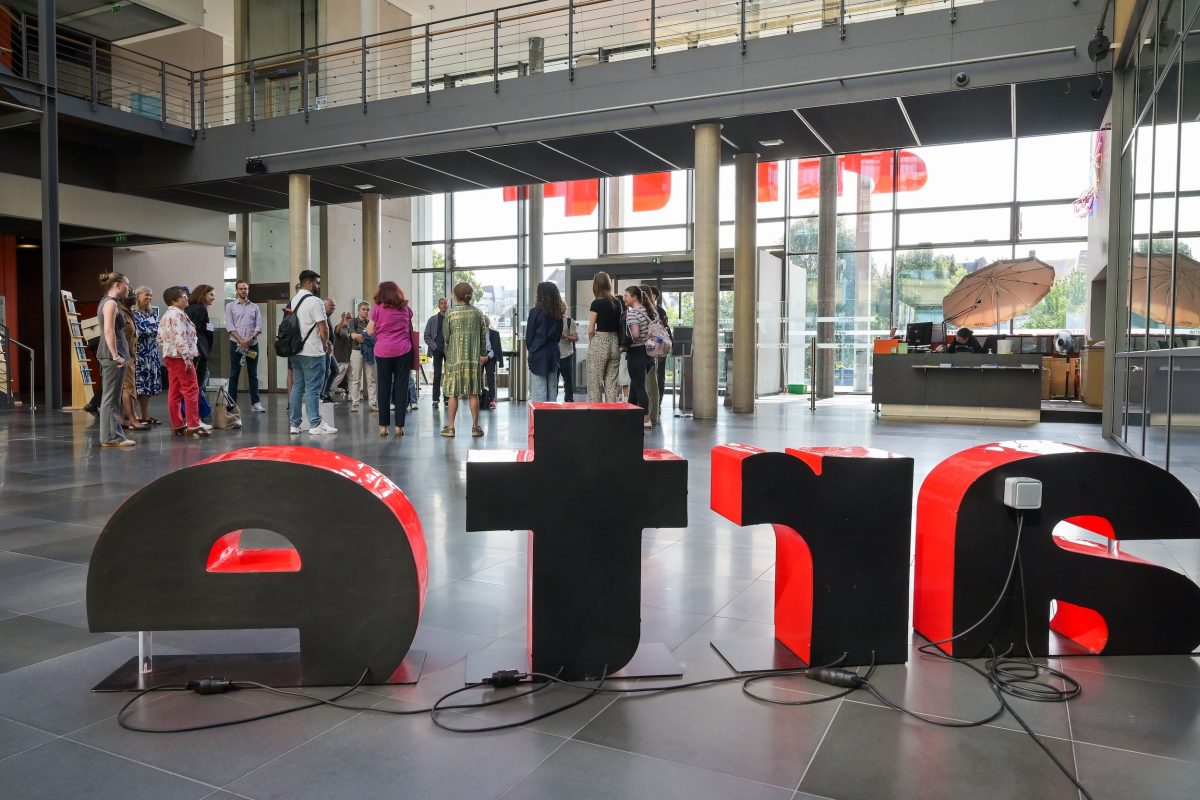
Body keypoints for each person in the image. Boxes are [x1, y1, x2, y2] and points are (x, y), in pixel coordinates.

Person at [288, 270, 337, 436]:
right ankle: (315, 423)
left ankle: (294, 424)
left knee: (297, 388)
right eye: (316, 282)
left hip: (296, 352)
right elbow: (323, 328)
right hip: (313, 352)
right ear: (308, 283)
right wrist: (325, 344)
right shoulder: (315, 302)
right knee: (313, 390)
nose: (317, 286)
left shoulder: (294, 300)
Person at [157, 285, 208, 438]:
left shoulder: (167, 315)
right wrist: (186, 356)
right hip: (180, 357)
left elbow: (159, 337)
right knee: (191, 389)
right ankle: (193, 425)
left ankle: (177, 424)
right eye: (183, 296)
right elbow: (180, 336)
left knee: (174, 391)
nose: (186, 297)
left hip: (170, 355)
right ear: (174, 300)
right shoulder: (178, 314)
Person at [441, 281, 488, 438]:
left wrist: (449, 354)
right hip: (473, 359)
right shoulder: (477, 313)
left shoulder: (450, 313)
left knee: (452, 394)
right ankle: (475, 427)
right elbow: (483, 337)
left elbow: (446, 337)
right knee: (473, 393)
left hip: (454, 359)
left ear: (455, 296)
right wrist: (481, 354)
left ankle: (451, 428)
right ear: (470, 296)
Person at [367, 281, 414, 437]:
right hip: (403, 350)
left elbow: (370, 331)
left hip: (383, 352)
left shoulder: (377, 309)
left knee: (384, 388)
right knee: (401, 388)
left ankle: (383, 427)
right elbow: (409, 329)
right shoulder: (406, 309)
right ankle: (399, 427)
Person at [96, 272, 135, 448]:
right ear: (118, 285)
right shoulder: (110, 303)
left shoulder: (110, 302)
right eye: (127, 284)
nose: (129, 288)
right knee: (111, 398)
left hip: (115, 354)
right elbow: (108, 331)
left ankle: (112, 435)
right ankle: (110, 437)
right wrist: (115, 355)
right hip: (113, 355)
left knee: (112, 398)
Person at [225, 279, 265, 412]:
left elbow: (258, 326)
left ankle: (256, 403)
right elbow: (230, 326)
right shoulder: (230, 306)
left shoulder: (255, 307)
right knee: (234, 374)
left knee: (253, 374)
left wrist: (250, 339)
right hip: (236, 345)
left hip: (252, 345)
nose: (243, 291)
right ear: (236, 290)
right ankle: (232, 404)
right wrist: (241, 340)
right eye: (241, 288)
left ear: (248, 290)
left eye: (246, 288)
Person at [526, 282, 565, 402]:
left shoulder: (535, 312)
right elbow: (558, 335)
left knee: (539, 389)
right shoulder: (558, 313)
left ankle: (540, 419)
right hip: (553, 352)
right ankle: (551, 418)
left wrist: (532, 349)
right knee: (552, 389)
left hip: (538, 352)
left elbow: (529, 336)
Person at [587, 271, 622, 402]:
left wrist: (592, 341)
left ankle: (596, 416)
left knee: (594, 383)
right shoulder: (618, 302)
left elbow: (591, 329)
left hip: (600, 341)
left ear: (596, 286)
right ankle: (611, 415)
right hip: (615, 342)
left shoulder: (596, 303)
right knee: (611, 383)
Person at [623, 284, 654, 429]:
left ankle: (646, 418)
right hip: (648, 353)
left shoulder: (633, 313)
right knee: (635, 385)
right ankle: (631, 415)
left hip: (636, 352)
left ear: (634, 297)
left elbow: (635, 334)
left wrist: (626, 340)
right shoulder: (648, 311)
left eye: (626, 296)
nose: (624, 298)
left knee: (639, 386)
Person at [184, 285, 215, 425]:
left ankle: (189, 417)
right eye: (211, 295)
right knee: (197, 386)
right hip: (199, 352)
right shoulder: (200, 310)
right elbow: (199, 331)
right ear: (203, 295)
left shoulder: (188, 309)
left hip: (192, 351)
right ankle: (195, 419)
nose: (213, 297)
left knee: (190, 386)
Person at [132, 286, 162, 426]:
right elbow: (141, 330)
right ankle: (133, 415)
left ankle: (145, 416)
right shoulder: (133, 314)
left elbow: (158, 330)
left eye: (150, 295)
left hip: (151, 354)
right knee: (137, 386)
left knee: (147, 388)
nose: (149, 298)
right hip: (139, 354)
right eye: (146, 295)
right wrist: (152, 329)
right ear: (137, 296)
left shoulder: (152, 313)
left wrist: (152, 329)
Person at [117, 295, 147, 431]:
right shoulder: (119, 312)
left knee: (127, 387)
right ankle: (132, 420)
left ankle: (122, 419)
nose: (134, 296)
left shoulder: (128, 312)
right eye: (129, 293)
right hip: (123, 355)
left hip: (130, 355)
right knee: (128, 388)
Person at [345, 301, 378, 412]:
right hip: (357, 352)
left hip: (369, 352)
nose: (366, 311)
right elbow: (354, 336)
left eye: (368, 310)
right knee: (355, 379)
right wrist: (367, 337)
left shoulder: (371, 322)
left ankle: (372, 403)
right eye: (363, 309)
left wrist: (363, 336)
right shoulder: (353, 322)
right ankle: (355, 403)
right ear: (359, 310)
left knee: (371, 379)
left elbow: (374, 338)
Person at [640, 284, 663, 425]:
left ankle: (649, 415)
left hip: (643, 349)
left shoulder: (643, 311)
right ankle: (654, 413)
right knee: (652, 384)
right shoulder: (656, 311)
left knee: (646, 384)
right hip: (653, 350)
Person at [423, 297, 449, 407]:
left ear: (447, 305)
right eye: (441, 303)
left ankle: (447, 398)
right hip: (437, 350)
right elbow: (426, 336)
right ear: (438, 306)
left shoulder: (451, 319)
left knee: (449, 375)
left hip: (449, 351)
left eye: (445, 303)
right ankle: (435, 400)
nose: (443, 305)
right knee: (437, 375)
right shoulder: (432, 319)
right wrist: (434, 346)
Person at [647, 285, 669, 407]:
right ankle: (652, 405)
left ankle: (657, 404)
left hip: (658, 347)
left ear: (654, 296)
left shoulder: (659, 311)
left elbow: (662, 332)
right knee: (650, 376)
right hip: (649, 346)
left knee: (659, 375)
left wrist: (659, 346)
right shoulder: (646, 310)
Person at [321, 297, 346, 402]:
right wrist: (327, 343)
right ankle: (322, 395)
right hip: (325, 349)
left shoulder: (328, 316)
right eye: (331, 307)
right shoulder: (322, 316)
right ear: (324, 306)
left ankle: (326, 392)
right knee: (325, 372)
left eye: (334, 307)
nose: (333, 309)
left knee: (335, 370)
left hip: (330, 351)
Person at [557, 302, 578, 402]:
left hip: (566, 354)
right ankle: (552, 401)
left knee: (568, 380)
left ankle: (569, 400)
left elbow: (575, 338)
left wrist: (566, 337)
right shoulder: (553, 321)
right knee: (553, 381)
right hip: (554, 355)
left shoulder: (570, 321)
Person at [482, 316, 504, 410]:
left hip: (490, 357)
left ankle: (492, 400)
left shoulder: (495, 333)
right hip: (479, 357)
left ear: (488, 323)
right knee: (477, 379)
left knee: (490, 378)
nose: (484, 324)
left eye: (485, 322)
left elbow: (497, 348)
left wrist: (488, 357)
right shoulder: (476, 334)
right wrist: (481, 357)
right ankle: (480, 398)